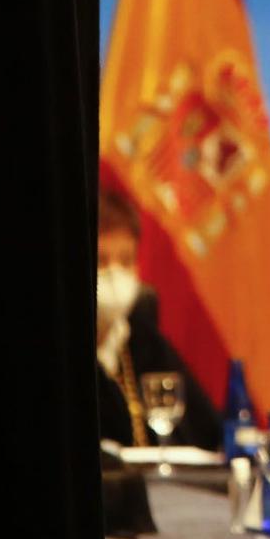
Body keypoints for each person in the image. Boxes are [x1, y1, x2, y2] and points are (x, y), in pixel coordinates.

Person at [95, 188, 221, 450]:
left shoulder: (143, 340)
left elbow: (208, 433)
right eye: (101, 262)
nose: (115, 275)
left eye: (126, 261)